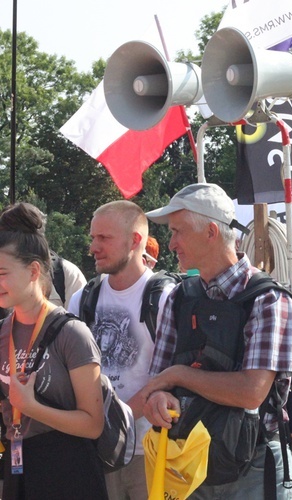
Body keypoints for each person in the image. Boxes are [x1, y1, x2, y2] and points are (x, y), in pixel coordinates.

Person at [139, 183, 292, 499]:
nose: (171, 244)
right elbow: (155, 386)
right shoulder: (179, 297)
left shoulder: (268, 299)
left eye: (178, 232)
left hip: (253, 467)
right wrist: (159, 399)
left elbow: (251, 393)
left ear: (211, 232)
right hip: (189, 466)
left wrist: (179, 375)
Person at [68, 200, 177, 500]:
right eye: (93, 237)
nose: (93, 247)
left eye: (104, 238)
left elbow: (174, 376)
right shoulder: (82, 299)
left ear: (135, 240)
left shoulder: (165, 298)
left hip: (151, 448)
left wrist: (118, 420)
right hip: (98, 451)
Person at [0, 202, 107, 499]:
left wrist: (31, 407)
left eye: (2, 273)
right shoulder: (3, 331)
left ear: (34, 270)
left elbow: (93, 424)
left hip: (69, 473)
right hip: (18, 467)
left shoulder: (71, 333)